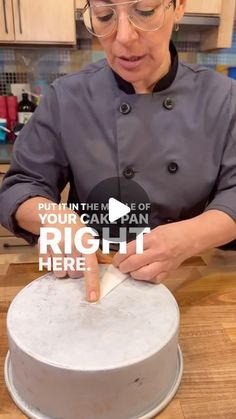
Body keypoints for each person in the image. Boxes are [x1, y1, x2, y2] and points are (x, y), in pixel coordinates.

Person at [0, 0, 235, 302]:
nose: (123, 36)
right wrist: (50, 219)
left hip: (186, 274)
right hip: (90, 274)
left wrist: (190, 238)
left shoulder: (223, 97)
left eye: (145, 11)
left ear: (178, 7)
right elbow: (21, 185)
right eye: (104, 16)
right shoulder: (67, 96)